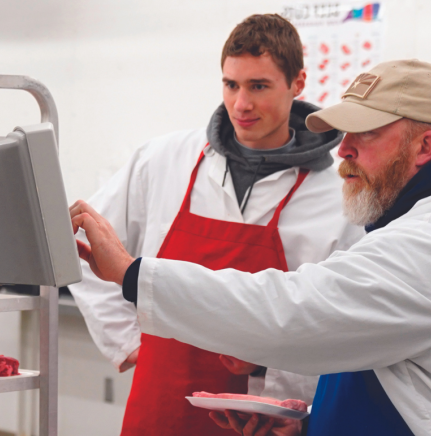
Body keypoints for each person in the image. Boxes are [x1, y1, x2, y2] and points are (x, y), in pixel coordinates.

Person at [71, 59, 431, 435]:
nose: (345, 149)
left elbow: (289, 312)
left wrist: (132, 275)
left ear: (425, 147)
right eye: (230, 84)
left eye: (367, 133)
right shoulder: (423, 229)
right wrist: (310, 423)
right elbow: (389, 373)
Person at [67, 14, 365, 436]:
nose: (241, 104)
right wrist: (129, 342)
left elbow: (340, 322)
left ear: (297, 83)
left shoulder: (336, 196)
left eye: (258, 86)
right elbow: (79, 250)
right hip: (159, 407)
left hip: (262, 419)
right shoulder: (164, 160)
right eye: (231, 85)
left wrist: (283, 384)